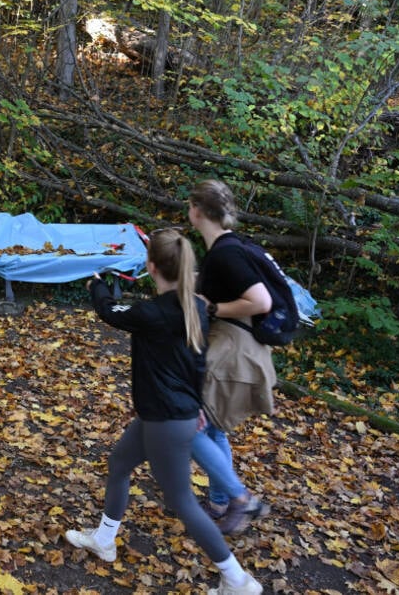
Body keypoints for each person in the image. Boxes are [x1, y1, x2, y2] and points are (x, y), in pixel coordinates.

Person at [65, 228, 263, 595]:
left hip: (166, 420)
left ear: (150, 266)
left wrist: (96, 283)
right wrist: (196, 403)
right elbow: (198, 363)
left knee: (182, 502)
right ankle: (104, 539)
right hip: (169, 414)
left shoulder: (152, 313)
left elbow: (109, 310)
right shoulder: (198, 307)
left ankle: (237, 580)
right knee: (119, 464)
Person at [188, 179, 272, 535]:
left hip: (233, 351)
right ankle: (223, 501)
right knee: (213, 427)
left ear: (197, 211)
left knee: (190, 424)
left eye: (190, 206)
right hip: (231, 348)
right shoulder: (223, 249)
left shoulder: (226, 252)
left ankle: (238, 500)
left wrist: (215, 307)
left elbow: (261, 301)